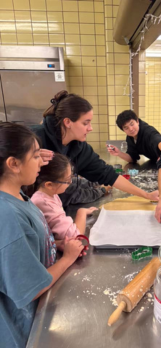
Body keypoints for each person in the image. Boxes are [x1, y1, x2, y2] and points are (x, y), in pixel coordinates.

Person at [0, 122, 84, 347]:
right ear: (13, 164)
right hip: (24, 331)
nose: (42, 162)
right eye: (36, 156)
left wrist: (55, 244)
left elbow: (27, 245)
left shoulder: (17, 195)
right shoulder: (7, 214)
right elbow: (33, 287)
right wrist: (67, 260)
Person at [32, 91, 158, 203]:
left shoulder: (79, 148)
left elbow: (108, 174)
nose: (90, 128)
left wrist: (146, 195)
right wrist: (29, 161)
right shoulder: (34, 139)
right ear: (67, 122)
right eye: (85, 123)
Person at [31, 153, 98, 239]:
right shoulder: (45, 204)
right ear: (49, 185)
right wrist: (82, 212)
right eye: (67, 180)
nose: (70, 182)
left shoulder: (51, 194)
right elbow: (75, 236)